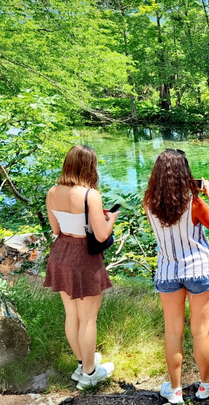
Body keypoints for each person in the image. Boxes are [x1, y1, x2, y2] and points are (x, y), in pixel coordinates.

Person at [143, 149, 209, 404]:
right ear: (184, 174)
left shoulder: (149, 203)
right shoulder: (194, 203)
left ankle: (175, 390)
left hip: (167, 271)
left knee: (172, 332)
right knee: (200, 332)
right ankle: (205, 384)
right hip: (198, 270)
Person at [44, 145, 118, 389]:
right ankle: (90, 373)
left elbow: (56, 230)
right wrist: (111, 220)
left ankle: (81, 364)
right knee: (88, 319)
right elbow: (100, 234)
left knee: (72, 315)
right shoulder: (90, 195)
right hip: (83, 257)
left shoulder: (52, 191)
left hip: (61, 252)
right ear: (89, 167)